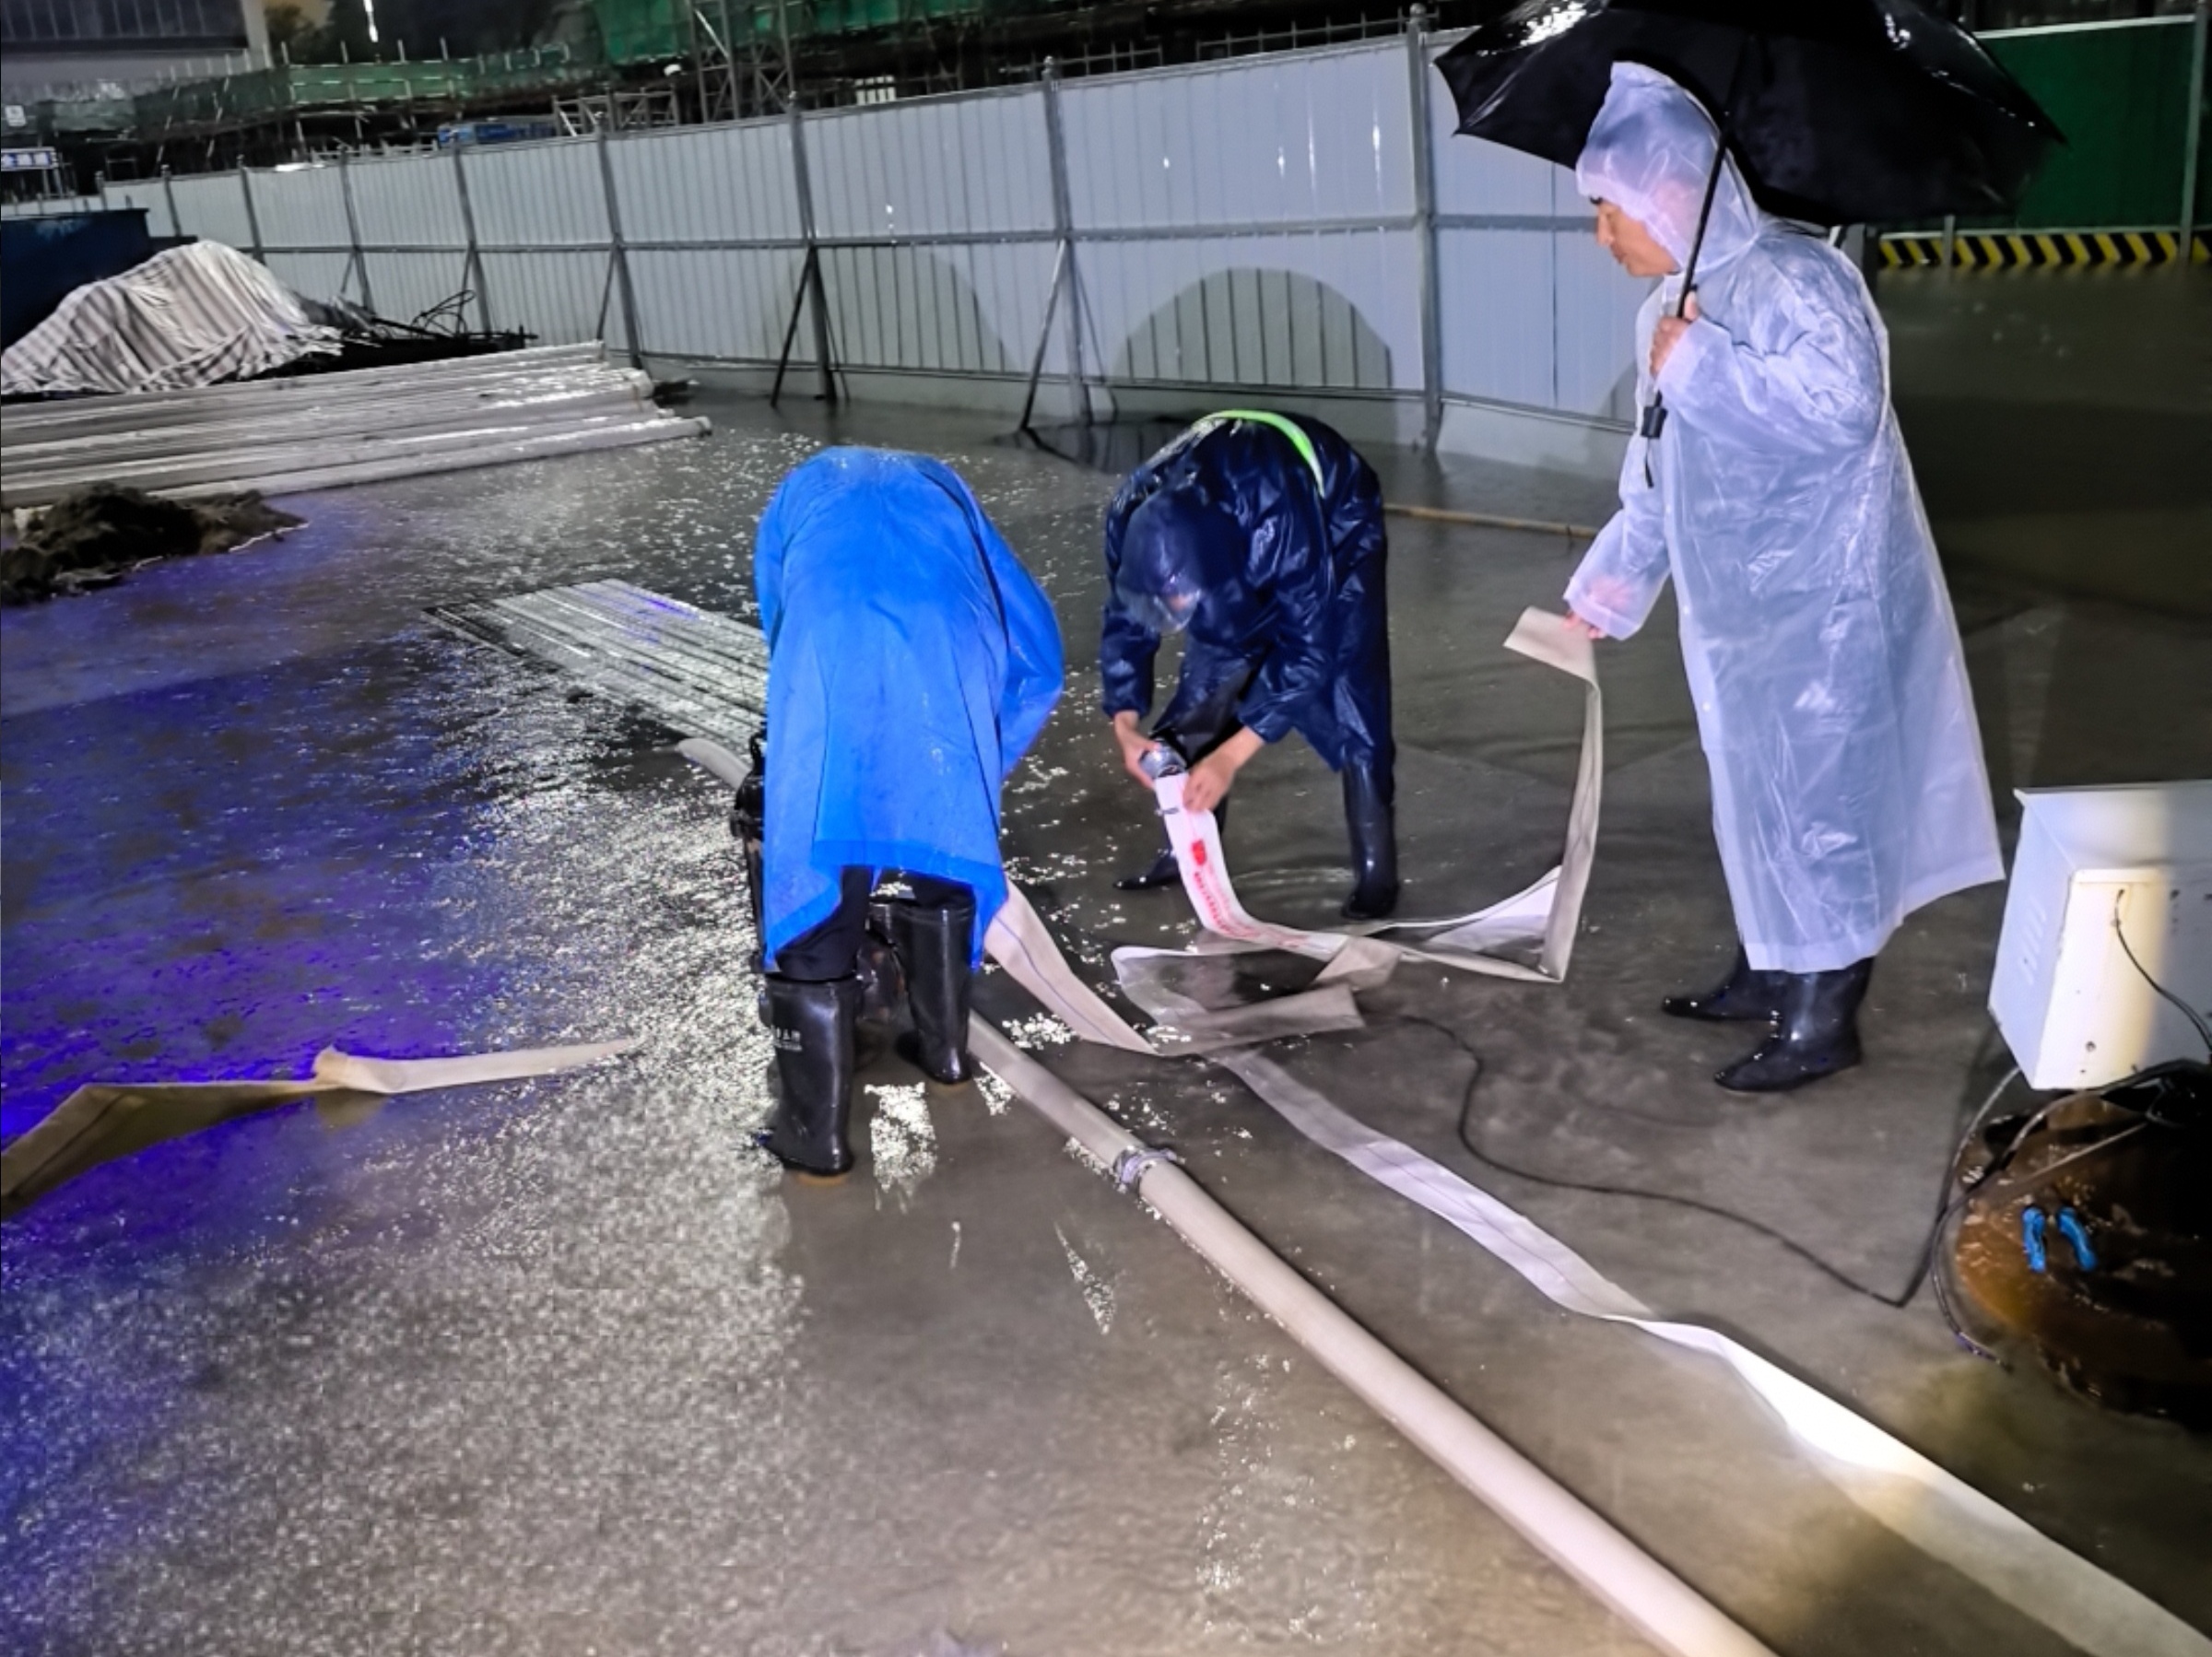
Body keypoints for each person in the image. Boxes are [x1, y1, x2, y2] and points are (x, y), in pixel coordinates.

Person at [1564, 64, 2004, 1094]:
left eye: (1609, 211)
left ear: (1670, 199)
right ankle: (1770, 964)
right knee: (1754, 796)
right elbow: (1657, 471)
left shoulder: (1800, 279)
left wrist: (1700, 364)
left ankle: (1823, 1019)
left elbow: (1842, 411)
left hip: (1825, 613)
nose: (1602, 236)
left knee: (1825, 803)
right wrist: (1608, 587)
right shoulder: (1667, 308)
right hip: (1737, 620)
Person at [744, 448, 1063, 1178]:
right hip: (950, 636)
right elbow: (1040, 653)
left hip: (828, 640)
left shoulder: (800, 493)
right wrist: (969, 772)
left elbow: (779, 612)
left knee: (826, 830)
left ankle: (815, 1136)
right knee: (944, 830)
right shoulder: (947, 494)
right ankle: (945, 1052)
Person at [1100, 409, 1399, 921]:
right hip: (1225, 541)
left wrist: (1231, 756)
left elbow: (1310, 649)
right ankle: (1190, 844)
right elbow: (1126, 616)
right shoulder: (1129, 518)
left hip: (1336, 522)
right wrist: (1123, 720)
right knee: (1206, 685)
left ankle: (1378, 870)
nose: (1174, 614)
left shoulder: (1276, 514)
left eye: (1180, 601)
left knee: (1351, 685)